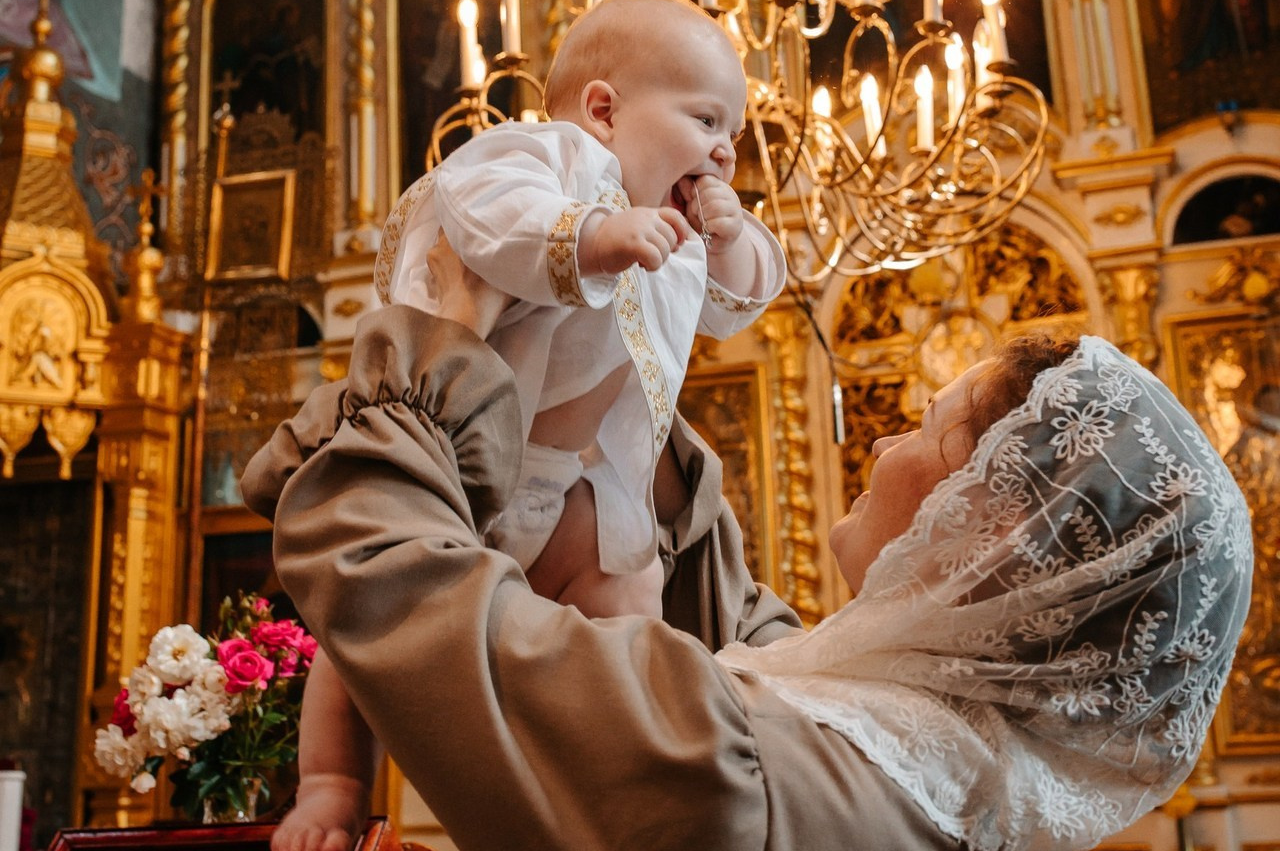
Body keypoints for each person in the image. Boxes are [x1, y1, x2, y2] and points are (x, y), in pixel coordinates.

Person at [243, 241, 1252, 851]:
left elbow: (398, 589)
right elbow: (730, 622)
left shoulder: (743, 776)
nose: (886, 440)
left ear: (985, 531)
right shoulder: (930, 765)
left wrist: (441, 335)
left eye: (924, 423)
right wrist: (605, 371)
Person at [251, 0, 786, 850]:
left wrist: (730, 239)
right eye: (705, 118)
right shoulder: (552, 158)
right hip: (478, 479)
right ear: (605, 112)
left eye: (735, 130)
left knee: (631, 619)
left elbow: (741, 298)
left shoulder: (682, 226)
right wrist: (595, 235)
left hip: (585, 492)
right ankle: (331, 785)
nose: (726, 148)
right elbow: (482, 203)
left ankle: (620, 789)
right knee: (373, 626)